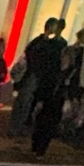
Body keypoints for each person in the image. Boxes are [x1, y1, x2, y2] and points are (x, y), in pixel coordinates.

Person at [28, 17, 70, 157]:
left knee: (49, 123)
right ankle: (36, 145)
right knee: (42, 121)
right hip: (48, 94)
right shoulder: (53, 63)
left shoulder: (65, 70)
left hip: (56, 99)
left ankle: (41, 148)